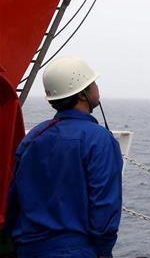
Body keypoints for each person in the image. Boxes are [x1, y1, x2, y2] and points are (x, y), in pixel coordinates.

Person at [4, 56, 122, 258]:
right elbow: (105, 207)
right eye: (92, 83)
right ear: (83, 95)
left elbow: (14, 201)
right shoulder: (99, 140)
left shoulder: (33, 137)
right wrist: (102, 251)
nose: (96, 87)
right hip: (78, 251)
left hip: (29, 249)